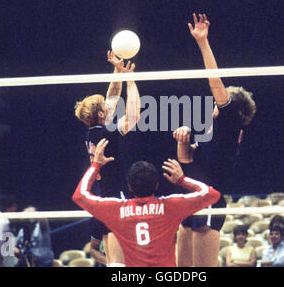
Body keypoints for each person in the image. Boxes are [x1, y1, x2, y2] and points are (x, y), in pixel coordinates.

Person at [173, 13, 257, 267]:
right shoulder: (212, 136)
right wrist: (183, 137)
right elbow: (185, 159)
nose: (216, 102)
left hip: (208, 200)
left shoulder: (229, 124)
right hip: (190, 198)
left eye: (222, 101)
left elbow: (214, 81)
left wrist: (202, 42)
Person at [72, 138, 220, 267]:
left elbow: (80, 195)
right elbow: (211, 194)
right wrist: (182, 180)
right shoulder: (170, 205)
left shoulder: (116, 209)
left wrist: (96, 165)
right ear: (157, 185)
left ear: (129, 187)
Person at [74, 51, 140, 266]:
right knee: (120, 259)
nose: (108, 105)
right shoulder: (106, 133)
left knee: (114, 258)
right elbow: (134, 116)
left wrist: (117, 71)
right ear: (101, 115)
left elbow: (111, 97)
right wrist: (130, 81)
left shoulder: (93, 131)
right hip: (114, 193)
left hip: (104, 194)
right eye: (104, 107)